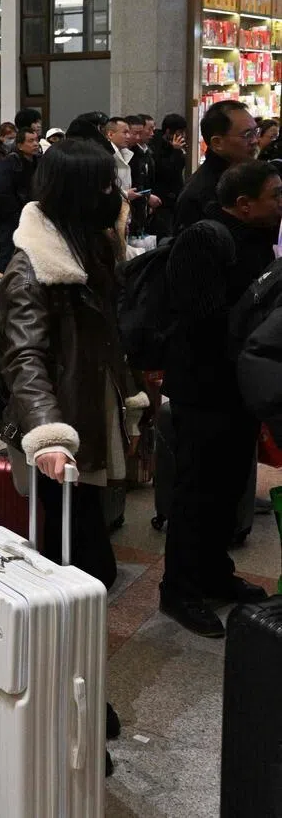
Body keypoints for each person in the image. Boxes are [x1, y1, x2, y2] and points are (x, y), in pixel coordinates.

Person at [0, 139, 127, 772]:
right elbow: (25, 359)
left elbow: (101, 340)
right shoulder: (31, 266)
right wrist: (47, 437)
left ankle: (79, 692)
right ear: (79, 192)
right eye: (106, 186)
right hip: (58, 438)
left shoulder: (90, 249)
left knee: (90, 568)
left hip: (89, 421)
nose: (117, 196)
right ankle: (63, 705)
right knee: (70, 568)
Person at [159, 160, 282, 637]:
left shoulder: (257, 237)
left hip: (238, 391)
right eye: (275, 195)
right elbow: (204, 320)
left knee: (228, 490)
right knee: (195, 494)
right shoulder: (204, 238)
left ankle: (214, 572)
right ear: (244, 203)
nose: (281, 203)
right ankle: (179, 590)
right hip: (202, 391)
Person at [175, 101, 258, 232]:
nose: (255, 141)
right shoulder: (199, 194)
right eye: (247, 135)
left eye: (256, 132)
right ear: (217, 142)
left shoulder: (249, 176)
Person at [0, 127, 40, 272]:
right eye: (31, 141)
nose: (35, 144)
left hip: (33, 216)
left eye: (36, 140)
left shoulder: (39, 162)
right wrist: (16, 214)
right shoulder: (8, 163)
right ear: (19, 145)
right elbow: (2, 192)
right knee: (9, 255)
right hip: (11, 218)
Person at [148, 113, 187, 239]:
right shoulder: (156, 146)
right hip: (161, 199)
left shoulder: (177, 147)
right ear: (169, 131)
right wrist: (175, 151)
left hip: (175, 197)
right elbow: (165, 171)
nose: (182, 136)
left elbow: (179, 169)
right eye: (180, 132)